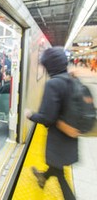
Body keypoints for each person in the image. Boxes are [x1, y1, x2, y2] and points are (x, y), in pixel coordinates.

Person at [25, 46, 80, 200]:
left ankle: (44, 178)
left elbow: (47, 117)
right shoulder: (71, 79)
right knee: (57, 167)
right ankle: (42, 177)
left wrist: (30, 115)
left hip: (58, 137)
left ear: (50, 65)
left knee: (60, 173)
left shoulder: (53, 84)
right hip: (70, 135)